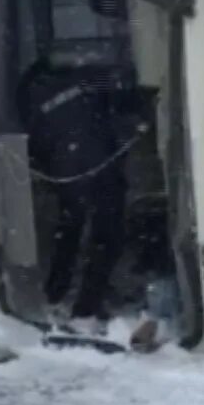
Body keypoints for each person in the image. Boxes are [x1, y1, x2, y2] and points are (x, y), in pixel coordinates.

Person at [18, 55, 140, 332]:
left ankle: (55, 294)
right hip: (99, 165)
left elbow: (36, 144)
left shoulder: (32, 93)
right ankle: (86, 309)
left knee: (70, 231)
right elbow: (124, 106)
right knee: (107, 238)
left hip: (67, 171)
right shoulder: (90, 80)